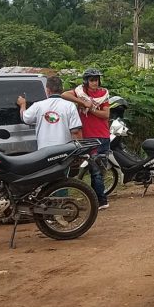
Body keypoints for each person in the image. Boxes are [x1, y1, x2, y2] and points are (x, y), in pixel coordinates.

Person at [62, 68, 112, 210]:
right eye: (92, 80)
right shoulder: (80, 92)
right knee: (93, 170)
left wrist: (91, 109)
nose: (95, 82)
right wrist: (83, 102)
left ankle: (101, 200)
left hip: (102, 136)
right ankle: (98, 199)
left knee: (98, 171)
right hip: (87, 138)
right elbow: (64, 94)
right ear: (86, 81)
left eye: (96, 80)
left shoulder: (103, 94)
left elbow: (106, 115)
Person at [17, 76, 83, 148]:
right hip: (65, 151)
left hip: (44, 152)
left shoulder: (38, 105)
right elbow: (75, 131)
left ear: (47, 90)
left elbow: (25, 118)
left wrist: (22, 104)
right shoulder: (70, 106)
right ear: (62, 89)